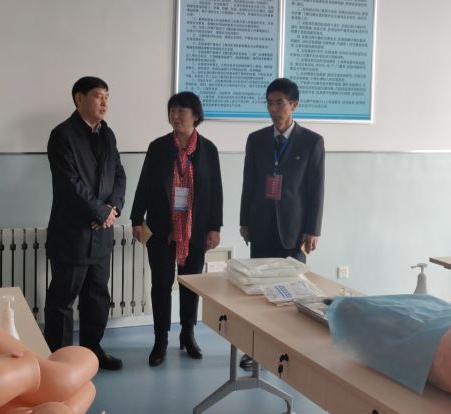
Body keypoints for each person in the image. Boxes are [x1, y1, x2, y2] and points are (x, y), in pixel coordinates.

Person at [130, 92, 222, 367]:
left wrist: (215, 227)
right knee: (161, 284)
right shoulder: (158, 147)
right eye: (172, 110)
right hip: (161, 227)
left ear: (196, 115)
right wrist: (136, 219)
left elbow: (216, 191)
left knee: (190, 283)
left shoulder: (208, 150)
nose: (175, 115)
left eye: (182, 110)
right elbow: (145, 184)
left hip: (196, 229)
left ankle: (187, 333)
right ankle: (160, 339)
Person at [238, 78, 324, 369]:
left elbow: (316, 189)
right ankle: (255, 349)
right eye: (270, 103)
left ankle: (290, 348)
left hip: (295, 229)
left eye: (279, 103)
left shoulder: (312, 141)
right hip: (261, 225)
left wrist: (313, 229)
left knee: (292, 290)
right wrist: (244, 220)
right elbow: (249, 182)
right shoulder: (257, 139)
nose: (274, 109)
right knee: (259, 290)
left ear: (294, 105)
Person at [44, 76, 127, 370]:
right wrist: (98, 212)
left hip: (102, 234)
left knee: (97, 297)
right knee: (63, 301)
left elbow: (119, 174)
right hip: (73, 233)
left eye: (107, 96)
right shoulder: (62, 135)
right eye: (97, 96)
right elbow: (69, 183)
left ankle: (93, 351)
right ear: (79, 99)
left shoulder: (108, 134)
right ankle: (60, 360)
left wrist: (112, 209)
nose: (104, 102)